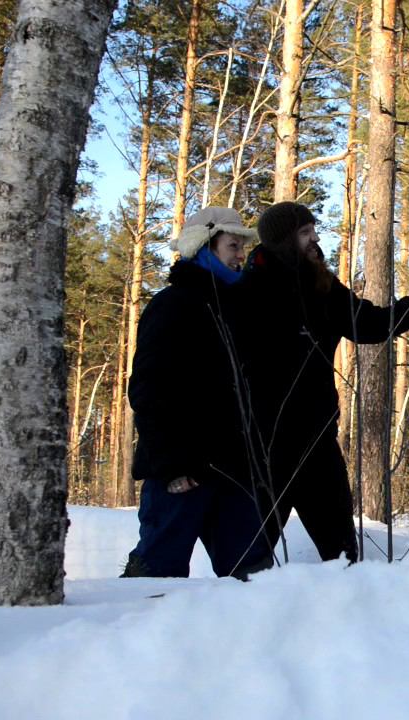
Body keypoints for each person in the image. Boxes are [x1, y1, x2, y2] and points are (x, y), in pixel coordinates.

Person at [236, 201, 409, 564]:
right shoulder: (249, 289)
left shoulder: (320, 283)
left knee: (342, 554)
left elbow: (367, 322)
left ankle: (348, 613)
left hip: (316, 438)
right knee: (248, 556)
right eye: (305, 232)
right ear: (282, 239)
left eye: (313, 230)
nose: (314, 239)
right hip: (266, 443)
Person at [122, 207, 273, 580]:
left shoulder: (238, 307)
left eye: (242, 247)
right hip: (182, 470)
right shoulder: (172, 305)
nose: (242, 255)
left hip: (234, 468)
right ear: (203, 246)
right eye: (233, 245)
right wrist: (171, 465)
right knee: (157, 576)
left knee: (253, 578)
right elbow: (147, 388)